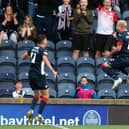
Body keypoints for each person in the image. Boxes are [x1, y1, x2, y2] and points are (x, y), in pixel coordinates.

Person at [21, 34, 58, 124]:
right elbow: (46, 61)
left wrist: (30, 57)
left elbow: (23, 56)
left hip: (31, 75)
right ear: (43, 41)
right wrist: (53, 71)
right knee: (46, 95)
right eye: (46, 39)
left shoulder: (33, 48)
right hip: (39, 75)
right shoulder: (43, 51)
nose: (46, 41)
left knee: (37, 94)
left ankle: (31, 110)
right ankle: (39, 115)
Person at [100, 20, 129, 90]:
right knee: (120, 66)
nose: (116, 28)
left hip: (122, 58)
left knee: (103, 65)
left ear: (120, 26)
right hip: (127, 59)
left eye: (116, 26)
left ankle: (117, 78)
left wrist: (110, 54)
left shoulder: (121, 35)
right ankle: (127, 74)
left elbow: (119, 48)